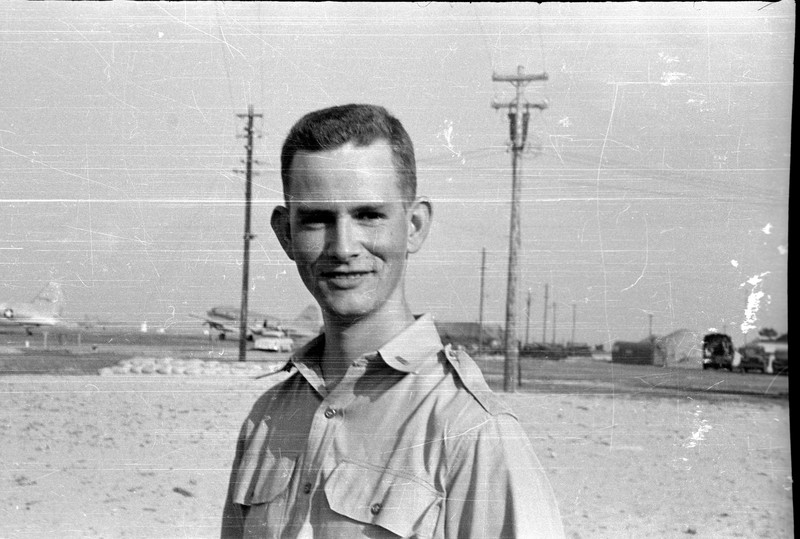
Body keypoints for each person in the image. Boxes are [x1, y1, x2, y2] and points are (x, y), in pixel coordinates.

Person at [221, 104, 565, 538]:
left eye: (368, 215)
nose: (343, 247)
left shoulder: (470, 429)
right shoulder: (267, 418)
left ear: (415, 225)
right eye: (316, 220)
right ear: (285, 234)